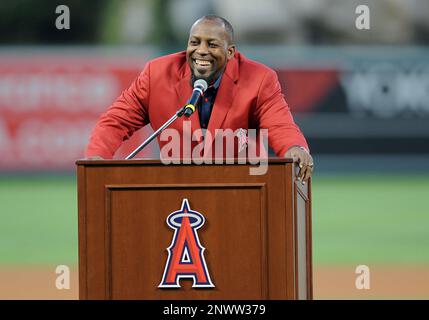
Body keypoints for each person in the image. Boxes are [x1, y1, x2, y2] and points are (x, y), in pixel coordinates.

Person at [85, 15, 314, 181]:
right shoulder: (157, 74)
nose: (201, 51)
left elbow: (280, 124)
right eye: (195, 42)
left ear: (231, 52)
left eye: (212, 44)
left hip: (237, 191)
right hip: (175, 190)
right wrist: (97, 157)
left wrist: (295, 148)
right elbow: (116, 120)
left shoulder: (259, 79)